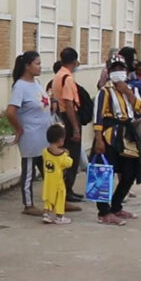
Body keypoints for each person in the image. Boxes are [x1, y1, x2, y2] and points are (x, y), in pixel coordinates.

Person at [91, 58, 141, 226]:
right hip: (109, 135)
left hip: (128, 134)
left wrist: (128, 93)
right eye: (115, 68)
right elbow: (98, 117)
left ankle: (116, 205)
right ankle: (103, 212)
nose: (118, 71)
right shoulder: (105, 92)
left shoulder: (132, 89)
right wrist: (98, 139)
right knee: (104, 173)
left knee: (130, 171)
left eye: (121, 68)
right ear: (109, 72)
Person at [6, 51, 52, 216]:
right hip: (31, 135)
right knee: (29, 171)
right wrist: (19, 129)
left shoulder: (37, 83)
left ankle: (56, 199)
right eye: (37, 64)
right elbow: (11, 112)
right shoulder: (20, 86)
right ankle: (28, 204)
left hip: (44, 135)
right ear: (27, 66)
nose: (40, 67)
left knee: (49, 169)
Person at [51, 48, 89, 206]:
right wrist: (75, 128)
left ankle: (67, 190)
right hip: (68, 117)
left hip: (62, 117)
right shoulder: (67, 78)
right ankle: (67, 190)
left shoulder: (58, 76)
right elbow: (69, 104)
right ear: (75, 61)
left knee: (67, 154)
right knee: (71, 156)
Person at [42, 124, 74, 225]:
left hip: (48, 181)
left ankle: (46, 214)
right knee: (60, 198)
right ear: (61, 140)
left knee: (48, 197)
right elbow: (69, 163)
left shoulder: (45, 152)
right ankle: (59, 216)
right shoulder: (62, 155)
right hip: (58, 182)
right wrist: (67, 154)